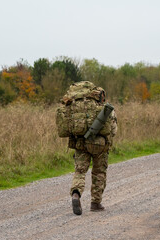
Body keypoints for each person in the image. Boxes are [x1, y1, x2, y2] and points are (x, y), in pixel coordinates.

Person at [66, 82, 117, 215]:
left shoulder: (76, 109)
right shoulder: (104, 109)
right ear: (100, 96)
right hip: (100, 145)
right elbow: (113, 129)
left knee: (80, 171)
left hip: (80, 144)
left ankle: (76, 193)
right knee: (99, 172)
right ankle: (96, 203)